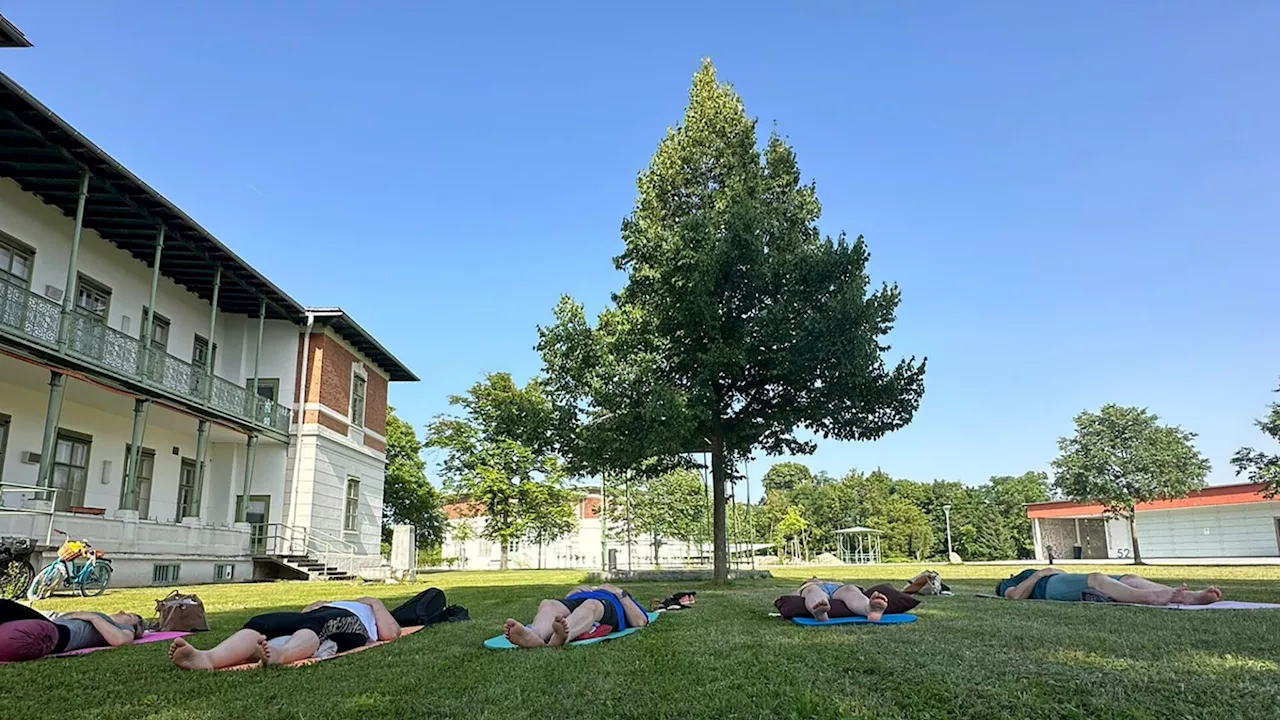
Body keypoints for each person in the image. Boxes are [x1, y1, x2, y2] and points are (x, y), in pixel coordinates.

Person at [169, 596, 400, 670]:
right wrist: (315, 605)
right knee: (263, 622)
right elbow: (303, 619)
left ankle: (280, 655)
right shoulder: (331, 603)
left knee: (321, 623)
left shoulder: (370, 607)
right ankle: (207, 658)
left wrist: (374, 602)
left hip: (349, 624)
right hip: (320, 614)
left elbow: (392, 633)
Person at [503, 583, 649, 648]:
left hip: (605, 605)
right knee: (548, 604)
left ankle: (564, 635)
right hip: (577, 600)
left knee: (591, 605)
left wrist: (617, 591)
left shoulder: (620, 597)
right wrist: (574, 592)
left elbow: (640, 621)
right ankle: (535, 634)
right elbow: (567, 602)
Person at [0, 598, 144, 662]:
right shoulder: (109, 622)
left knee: (5, 606)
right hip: (53, 625)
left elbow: (121, 641)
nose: (122, 611)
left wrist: (93, 617)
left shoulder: (124, 629)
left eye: (129, 615)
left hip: (59, 634)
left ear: (135, 627)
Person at [996, 567, 1222, 606]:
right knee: (1096, 579)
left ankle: (1188, 596)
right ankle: (1150, 598)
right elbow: (1015, 597)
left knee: (1127, 577)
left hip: (1060, 580)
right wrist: (1038, 574)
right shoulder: (1009, 582)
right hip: (1049, 588)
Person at [791, 578, 889, 622]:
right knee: (813, 592)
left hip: (837, 588)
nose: (814, 577)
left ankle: (870, 609)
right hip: (814, 588)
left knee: (850, 589)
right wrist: (808, 585)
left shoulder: (834, 582)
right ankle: (819, 611)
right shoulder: (808, 585)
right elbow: (793, 598)